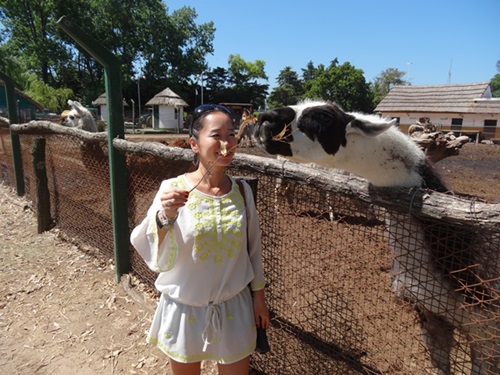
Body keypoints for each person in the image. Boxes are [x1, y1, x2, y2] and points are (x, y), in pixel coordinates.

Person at [130, 104, 270, 375]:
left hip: (234, 309)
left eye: (231, 135)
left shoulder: (241, 191)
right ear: (194, 144)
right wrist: (165, 216)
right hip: (185, 311)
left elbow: (253, 250)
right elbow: (151, 247)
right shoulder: (172, 189)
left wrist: (259, 298)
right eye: (216, 135)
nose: (226, 142)